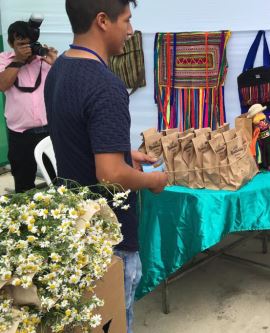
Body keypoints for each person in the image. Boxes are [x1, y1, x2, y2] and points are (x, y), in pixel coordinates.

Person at [44, 1, 169, 332]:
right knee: (113, 319)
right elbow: (110, 174)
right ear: (102, 21)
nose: (130, 31)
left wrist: (124, 152)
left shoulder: (59, 70)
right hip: (108, 235)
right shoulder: (105, 85)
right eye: (127, 21)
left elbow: (76, 137)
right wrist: (154, 179)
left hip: (75, 224)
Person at [0, 20, 57, 192]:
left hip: (50, 133)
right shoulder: (4, 60)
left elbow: (68, 88)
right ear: (11, 44)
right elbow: (2, 85)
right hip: (21, 136)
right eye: (21, 44)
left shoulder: (44, 60)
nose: (27, 48)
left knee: (58, 181)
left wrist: (56, 64)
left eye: (29, 44)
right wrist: (18, 60)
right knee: (24, 187)